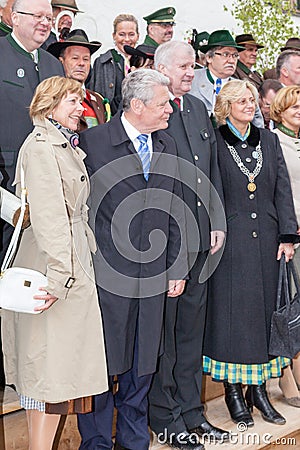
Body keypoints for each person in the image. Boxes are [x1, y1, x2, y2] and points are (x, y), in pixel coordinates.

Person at [77, 69, 188, 450]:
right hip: (105, 276)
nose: (170, 110)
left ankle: (133, 440)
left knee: (143, 361)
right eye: (163, 104)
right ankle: (95, 442)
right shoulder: (92, 143)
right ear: (136, 105)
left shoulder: (168, 145)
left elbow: (175, 207)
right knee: (104, 361)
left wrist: (176, 266)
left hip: (154, 275)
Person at [1, 75, 108, 450]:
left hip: (65, 259)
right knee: (48, 377)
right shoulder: (44, 147)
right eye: (72, 102)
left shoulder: (59, 144)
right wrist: (61, 278)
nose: (81, 108)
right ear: (48, 105)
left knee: (50, 378)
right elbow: (48, 217)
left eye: (80, 101)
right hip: (55, 265)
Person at [203, 79, 299, 428]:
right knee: (233, 319)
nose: (251, 105)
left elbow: (282, 190)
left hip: (269, 242)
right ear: (226, 107)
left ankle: (257, 392)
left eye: (252, 99)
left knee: (262, 318)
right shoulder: (214, 142)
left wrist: (288, 235)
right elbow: (210, 190)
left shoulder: (270, 140)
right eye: (242, 100)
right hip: (231, 244)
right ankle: (233, 393)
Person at [148, 40, 228, 450]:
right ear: (161, 68)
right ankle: (166, 419)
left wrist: (216, 220)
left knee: (191, 333)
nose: (188, 71)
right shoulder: (151, 110)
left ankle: (193, 413)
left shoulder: (196, 108)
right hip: (164, 243)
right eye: (182, 65)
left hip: (200, 241)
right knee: (166, 335)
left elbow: (210, 167)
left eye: (191, 66)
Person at [0, 0, 64, 387]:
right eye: (36, 16)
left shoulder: (54, 66)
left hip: (45, 191)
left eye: (48, 17)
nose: (44, 23)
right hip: (7, 189)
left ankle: (25, 367)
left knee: (31, 282)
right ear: (12, 18)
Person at [270, 85, 300, 408]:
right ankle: (285, 372)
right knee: (289, 306)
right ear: (280, 110)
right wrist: (287, 232)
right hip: (291, 234)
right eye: (294, 108)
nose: (299, 112)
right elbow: (276, 191)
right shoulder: (274, 141)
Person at [190, 29, 264, 128]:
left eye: (235, 56)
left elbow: (257, 121)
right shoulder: (191, 79)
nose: (231, 60)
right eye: (225, 55)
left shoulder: (241, 86)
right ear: (209, 58)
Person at [47, 28, 111, 130]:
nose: (81, 63)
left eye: (86, 59)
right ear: (61, 61)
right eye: (75, 58)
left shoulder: (99, 100)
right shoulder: (52, 97)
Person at [87, 13, 139, 115]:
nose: (127, 39)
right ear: (114, 36)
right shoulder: (103, 62)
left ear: (138, 36)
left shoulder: (143, 62)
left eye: (131, 34)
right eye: (122, 34)